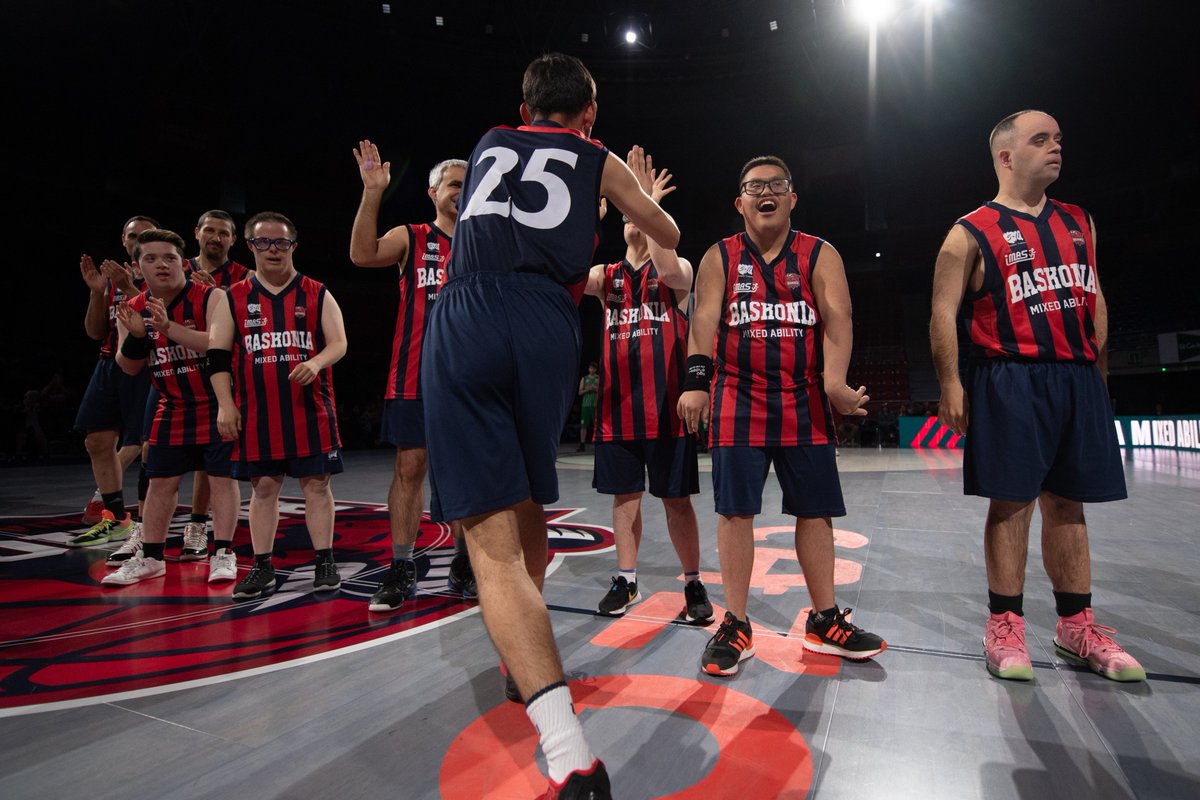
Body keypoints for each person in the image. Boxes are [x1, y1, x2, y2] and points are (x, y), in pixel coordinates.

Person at [421, 53, 680, 799]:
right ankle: (525, 664)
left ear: (525, 105)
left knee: (491, 546)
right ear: (591, 113)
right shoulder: (596, 157)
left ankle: (568, 753)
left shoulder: (488, 141)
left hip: (469, 312)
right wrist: (635, 198)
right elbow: (662, 229)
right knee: (528, 498)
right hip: (546, 323)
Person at [929, 109, 1144, 682]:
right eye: (1040, 139)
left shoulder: (1080, 221)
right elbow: (942, 314)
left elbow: (1093, 295)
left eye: (1058, 139)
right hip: (1010, 376)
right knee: (1012, 504)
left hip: (1075, 376)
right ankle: (1005, 627)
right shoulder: (968, 231)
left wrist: (1097, 368)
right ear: (1006, 156)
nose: (1056, 147)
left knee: (1068, 503)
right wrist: (951, 384)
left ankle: (1077, 627)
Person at [678, 156, 887, 677]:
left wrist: (835, 382)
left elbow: (839, 319)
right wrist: (695, 384)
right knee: (735, 513)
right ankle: (737, 623)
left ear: (792, 197)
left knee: (815, 512)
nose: (765, 193)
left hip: (803, 398)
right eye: (754, 187)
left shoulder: (820, 253)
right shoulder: (718, 257)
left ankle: (823, 618)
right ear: (740, 202)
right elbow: (702, 323)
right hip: (737, 398)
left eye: (776, 186)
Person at [584, 148, 712, 625]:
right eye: (627, 215)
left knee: (677, 502)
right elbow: (572, 271)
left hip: (667, 411)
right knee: (624, 499)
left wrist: (648, 206)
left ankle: (693, 582)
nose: (633, 220)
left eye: (642, 214)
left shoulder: (679, 274)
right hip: (617, 412)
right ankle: (626, 579)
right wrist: (586, 218)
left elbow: (667, 265)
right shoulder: (607, 277)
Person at [349, 144, 475, 611]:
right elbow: (362, 255)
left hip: (467, 380)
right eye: (455, 184)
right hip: (415, 374)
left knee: (464, 474)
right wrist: (372, 194)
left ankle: (463, 562)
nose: (463, 192)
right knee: (409, 468)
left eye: (470, 183)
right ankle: (402, 568)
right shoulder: (412, 236)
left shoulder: (484, 241)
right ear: (433, 192)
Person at [208, 212, 348, 600]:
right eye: (264, 242)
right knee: (263, 487)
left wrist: (316, 362)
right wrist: (225, 405)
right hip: (255, 413)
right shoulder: (232, 296)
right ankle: (262, 566)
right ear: (250, 246)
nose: (273, 249)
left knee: (317, 486)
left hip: (310, 410)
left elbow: (339, 342)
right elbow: (217, 358)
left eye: (281, 243)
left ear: (293, 246)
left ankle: (325, 561)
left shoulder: (316, 291)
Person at [101, 228, 241, 586]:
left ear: (183, 261)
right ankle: (151, 558)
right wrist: (136, 337)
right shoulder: (131, 308)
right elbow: (127, 366)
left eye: (170, 258)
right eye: (150, 258)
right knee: (159, 482)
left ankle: (223, 552)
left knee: (223, 480)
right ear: (136, 267)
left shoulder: (211, 297)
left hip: (216, 402)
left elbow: (216, 345)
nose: (161, 265)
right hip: (171, 404)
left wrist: (167, 327)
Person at [69, 216, 157, 547]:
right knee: (97, 442)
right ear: (123, 239)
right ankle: (116, 518)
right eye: (132, 235)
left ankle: (150, 528)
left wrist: (129, 287)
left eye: (144, 235)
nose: (137, 239)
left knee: (148, 447)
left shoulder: (161, 273)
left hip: (148, 365)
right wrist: (97, 293)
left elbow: (163, 321)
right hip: (109, 362)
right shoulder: (111, 279)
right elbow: (94, 331)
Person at [177, 210, 252, 562]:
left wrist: (216, 296)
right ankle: (142, 532)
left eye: (224, 233)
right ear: (197, 232)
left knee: (213, 461)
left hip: (219, 373)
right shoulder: (175, 269)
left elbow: (250, 322)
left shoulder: (245, 277)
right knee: (152, 456)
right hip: (174, 372)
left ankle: (199, 526)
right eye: (209, 230)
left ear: (233, 239)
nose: (216, 237)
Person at [575, 362, 598, 452]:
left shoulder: (598, 378)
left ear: (596, 370)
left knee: (596, 426)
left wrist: (595, 389)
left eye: (594, 368)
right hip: (586, 405)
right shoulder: (584, 379)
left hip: (595, 405)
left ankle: (597, 444)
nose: (592, 370)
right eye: (590, 368)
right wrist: (588, 389)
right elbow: (579, 392)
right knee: (583, 426)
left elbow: (602, 390)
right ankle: (582, 445)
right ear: (588, 369)